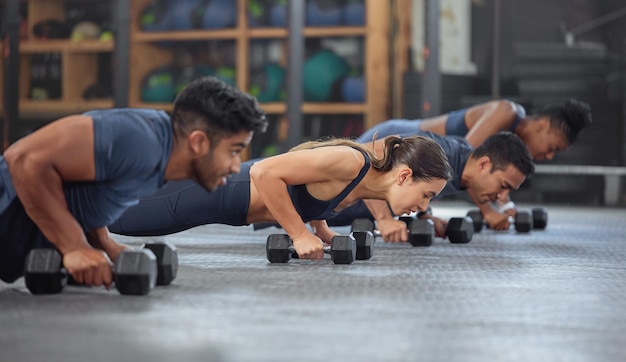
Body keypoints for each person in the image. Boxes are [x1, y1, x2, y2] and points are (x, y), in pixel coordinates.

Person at [0, 76, 268, 287]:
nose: (236, 166)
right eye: (234, 151)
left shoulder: (160, 160)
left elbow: (86, 190)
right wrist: (74, 246)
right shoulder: (140, 139)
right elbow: (23, 159)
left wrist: (104, 243)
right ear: (198, 142)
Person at [108, 136, 453, 260]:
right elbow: (264, 172)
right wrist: (299, 234)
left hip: (221, 204)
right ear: (405, 175)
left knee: (106, 217)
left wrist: (321, 231)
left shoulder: (365, 182)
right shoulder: (354, 162)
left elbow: (315, 192)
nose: (422, 208)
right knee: (113, 219)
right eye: (425, 196)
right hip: (211, 191)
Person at [358, 98, 591, 228]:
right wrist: (488, 211)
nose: (549, 156)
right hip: (397, 140)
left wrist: (506, 208)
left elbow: (487, 173)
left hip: (422, 157)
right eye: (552, 148)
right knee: (348, 177)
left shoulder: (508, 148)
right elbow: (467, 161)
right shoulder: (506, 112)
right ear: (542, 126)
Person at [327, 131, 535, 243]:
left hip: (333, 214)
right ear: (484, 164)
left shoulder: (460, 166)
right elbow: (369, 157)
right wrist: (384, 219)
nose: (501, 196)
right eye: (502, 185)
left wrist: (425, 215)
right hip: (326, 200)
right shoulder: (440, 151)